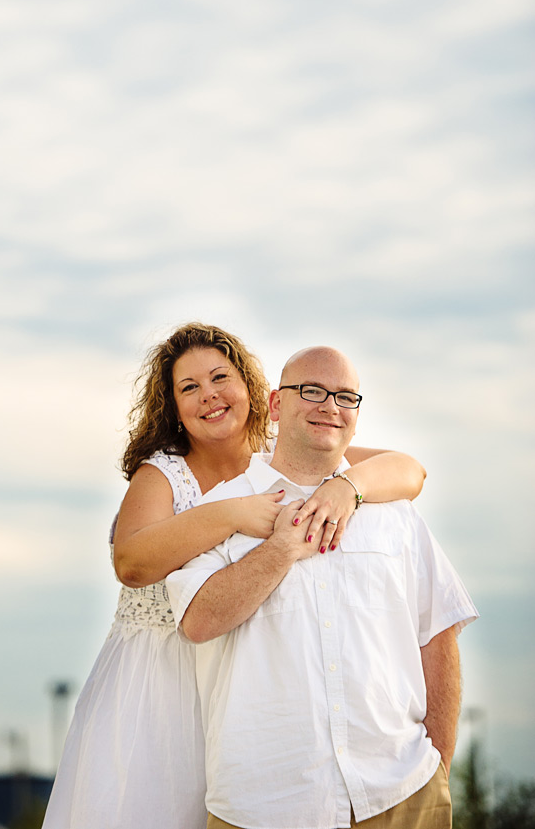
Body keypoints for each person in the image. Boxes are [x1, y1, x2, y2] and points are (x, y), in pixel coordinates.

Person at [43, 324, 427, 829]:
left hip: (245, 689)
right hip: (160, 686)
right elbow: (132, 563)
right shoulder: (163, 474)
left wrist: (347, 488)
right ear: (174, 408)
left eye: (220, 377)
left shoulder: (280, 453)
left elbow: (409, 471)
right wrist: (232, 513)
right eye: (189, 388)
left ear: (255, 391)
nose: (209, 396)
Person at [166, 345, 477, 829]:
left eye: (346, 397)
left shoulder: (393, 514)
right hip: (265, 806)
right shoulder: (220, 510)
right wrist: (282, 549)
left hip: (402, 796)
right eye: (311, 391)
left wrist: (436, 764)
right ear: (274, 405)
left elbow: (438, 633)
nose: (330, 407)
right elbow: (198, 622)